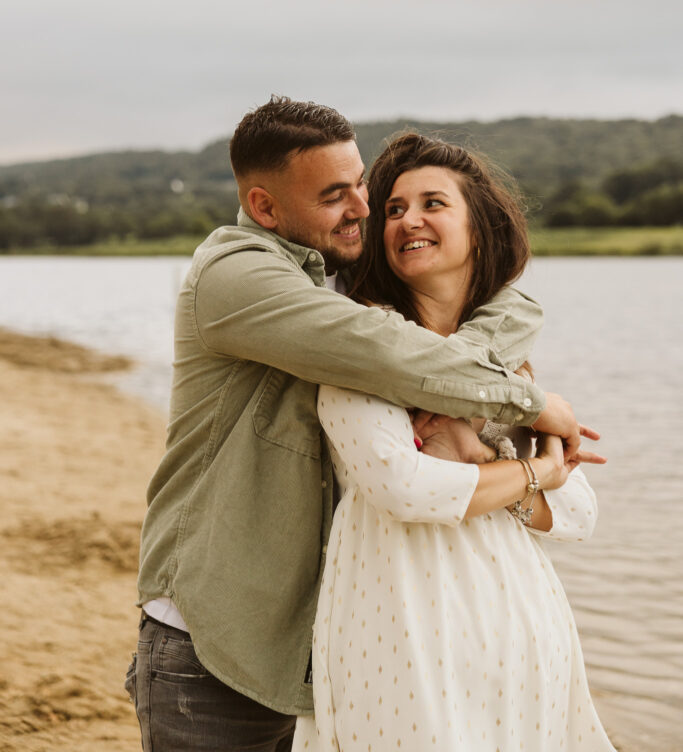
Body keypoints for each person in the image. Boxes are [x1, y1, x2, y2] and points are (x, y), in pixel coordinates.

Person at [126, 98, 581, 752]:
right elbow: (385, 353)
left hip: (320, 639)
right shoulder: (237, 276)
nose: (364, 210)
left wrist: (480, 383)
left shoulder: (343, 275)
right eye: (335, 195)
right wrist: (528, 403)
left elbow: (509, 300)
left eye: (362, 185)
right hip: (212, 636)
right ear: (264, 208)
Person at [292, 133, 614, 752]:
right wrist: (535, 473)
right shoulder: (362, 346)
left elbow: (578, 513)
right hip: (403, 619)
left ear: (480, 229)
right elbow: (404, 488)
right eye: (392, 209)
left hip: (523, 626)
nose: (408, 219)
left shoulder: (505, 364)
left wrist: (478, 456)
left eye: (432, 203)